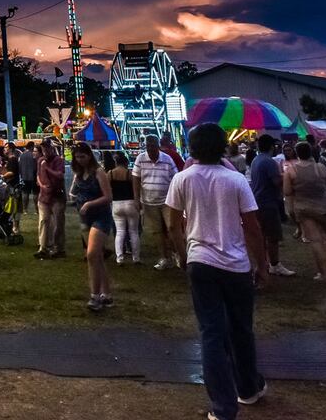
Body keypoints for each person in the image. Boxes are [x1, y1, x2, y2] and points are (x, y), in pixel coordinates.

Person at [165, 123, 268, 420]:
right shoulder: (235, 180)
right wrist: (262, 264)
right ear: (223, 146)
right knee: (241, 329)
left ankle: (223, 408)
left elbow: (173, 223)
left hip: (200, 261)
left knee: (211, 333)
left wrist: (183, 254)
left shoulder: (182, 179)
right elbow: (252, 227)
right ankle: (248, 388)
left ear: (192, 147)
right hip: (236, 263)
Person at [70, 143, 115, 310]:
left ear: (89, 155)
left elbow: (108, 196)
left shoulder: (99, 172)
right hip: (85, 219)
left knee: (91, 254)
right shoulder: (79, 174)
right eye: (77, 157)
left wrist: (89, 204)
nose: (80, 160)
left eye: (83, 156)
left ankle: (94, 296)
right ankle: (107, 294)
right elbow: (73, 192)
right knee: (97, 257)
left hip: (101, 217)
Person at [283, 142, 326, 280]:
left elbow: (287, 191)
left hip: (303, 208)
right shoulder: (320, 168)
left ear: (296, 153)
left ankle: (323, 273)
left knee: (316, 241)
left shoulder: (291, 171)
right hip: (324, 206)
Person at [249, 135, 294, 277]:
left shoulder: (256, 160)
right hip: (268, 202)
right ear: (271, 146)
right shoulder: (269, 162)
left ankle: (265, 262)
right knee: (272, 236)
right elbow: (276, 181)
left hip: (258, 201)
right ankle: (275, 264)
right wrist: (287, 176)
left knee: (262, 235)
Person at [134, 134, 179, 270]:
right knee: (157, 231)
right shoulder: (140, 159)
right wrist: (137, 199)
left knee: (172, 228)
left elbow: (175, 178)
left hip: (167, 201)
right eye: (148, 146)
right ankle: (164, 258)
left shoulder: (167, 159)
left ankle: (177, 254)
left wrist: (175, 198)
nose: (150, 149)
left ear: (158, 146)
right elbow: (135, 178)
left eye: (153, 145)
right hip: (148, 201)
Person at [34, 138, 66, 259]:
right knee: (43, 221)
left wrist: (47, 168)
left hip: (57, 195)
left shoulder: (58, 160)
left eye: (47, 148)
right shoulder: (40, 160)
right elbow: (38, 175)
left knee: (58, 223)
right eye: (43, 148)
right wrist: (41, 185)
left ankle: (59, 248)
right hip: (44, 196)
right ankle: (43, 247)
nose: (45, 151)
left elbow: (60, 175)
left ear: (52, 148)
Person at [108, 152, 140, 265]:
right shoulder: (129, 173)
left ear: (116, 162)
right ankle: (136, 258)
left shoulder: (110, 173)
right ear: (126, 163)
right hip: (130, 203)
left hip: (116, 204)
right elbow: (136, 187)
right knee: (133, 232)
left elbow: (107, 189)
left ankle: (119, 258)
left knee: (120, 232)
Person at [18, 141, 38, 213]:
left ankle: (25, 209)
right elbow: (36, 166)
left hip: (24, 177)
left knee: (25, 193)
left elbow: (19, 166)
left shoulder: (21, 155)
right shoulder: (33, 155)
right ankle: (37, 210)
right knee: (35, 193)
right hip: (33, 176)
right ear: (32, 147)